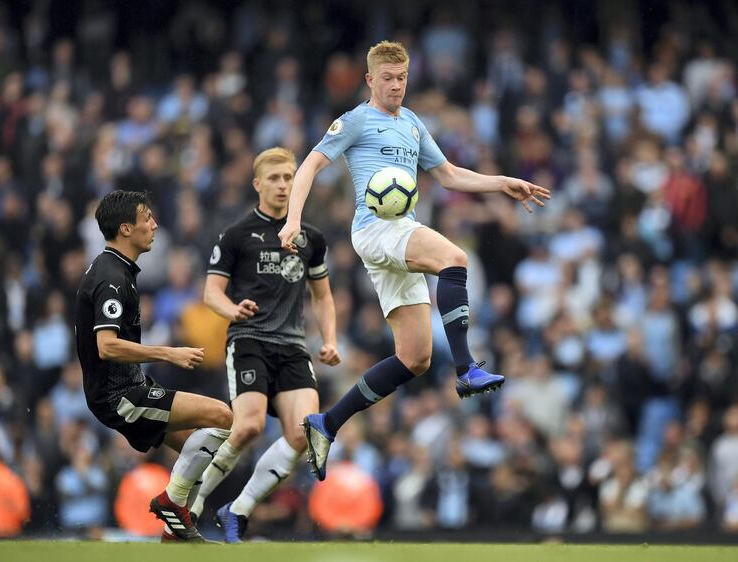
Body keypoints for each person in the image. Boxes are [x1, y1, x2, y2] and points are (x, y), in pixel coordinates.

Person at [277, 41, 551, 480]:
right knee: (455, 257)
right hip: (376, 229)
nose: (396, 85)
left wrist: (502, 182)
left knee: (415, 358)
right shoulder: (354, 121)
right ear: (370, 80)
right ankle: (466, 369)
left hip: (398, 234)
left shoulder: (413, 124)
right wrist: (293, 219)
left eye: (402, 77)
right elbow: (308, 166)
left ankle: (326, 423)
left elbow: (448, 175)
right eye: (387, 78)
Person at [190, 147, 340, 542]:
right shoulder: (237, 235)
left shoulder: (311, 238)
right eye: (274, 178)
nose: (283, 185)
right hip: (250, 338)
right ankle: (192, 503)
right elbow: (211, 293)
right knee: (249, 427)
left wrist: (330, 339)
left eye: (289, 177)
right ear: (257, 184)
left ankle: (237, 509)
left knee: (301, 435)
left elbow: (322, 296)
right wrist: (232, 309)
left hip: (292, 346)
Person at [74, 190, 233, 542]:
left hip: (126, 388)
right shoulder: (111, 277)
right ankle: (170, 504)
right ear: (126, 228)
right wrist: (169, 353)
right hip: (121, 394)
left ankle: (173, 535)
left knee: (198, 455)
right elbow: (106, 346)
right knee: (222, 416)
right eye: (147, 218)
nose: (155, 225)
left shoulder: (119, 270)